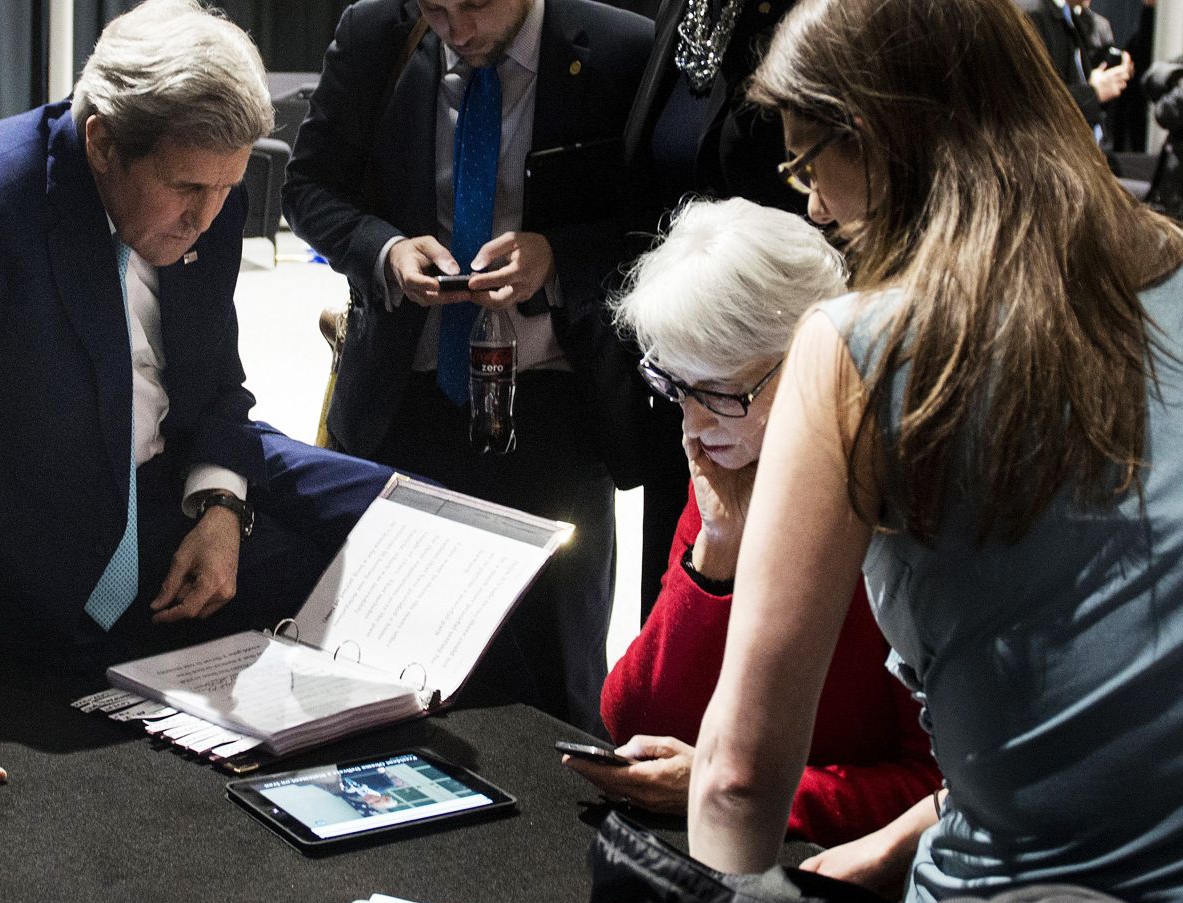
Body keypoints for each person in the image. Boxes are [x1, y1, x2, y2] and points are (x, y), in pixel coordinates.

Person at [684, 0, 1183, 903]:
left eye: (805, 160)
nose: (811, 201)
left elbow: (738, 777)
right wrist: (928, 820)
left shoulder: (858, 347)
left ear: (880, 137)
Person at [0, 0, 396, 818]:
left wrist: (220, 506)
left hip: (170, 464)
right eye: (186, 190)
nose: (208, 220)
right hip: (45, 504)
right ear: (102, 141)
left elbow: (214, 385)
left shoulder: (207, 192)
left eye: (228, 190)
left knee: (407, 517)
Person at [284, 0, 656, 732]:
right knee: (386, 673)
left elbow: (652, 221)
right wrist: (384, 250)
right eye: (434, 7)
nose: (455, 30)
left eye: (476, 6)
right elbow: (308, 189)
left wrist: (557, 257)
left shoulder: (618, 47)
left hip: (554, 415)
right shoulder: (375, 34)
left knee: (557, 682)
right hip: (405, 402)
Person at [561, 197, 938, 849]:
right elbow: (630, 716)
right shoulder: (733, 463)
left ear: (811, 355)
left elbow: (941, 789)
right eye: (675, 387)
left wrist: (735, 785)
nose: (694, 425)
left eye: (720, 393)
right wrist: (719, 549)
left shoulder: (907, 501)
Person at [613, 0, 807, 622]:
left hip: (768, 388)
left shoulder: (825, 21)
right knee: (672, 619)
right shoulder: (689, 7)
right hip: (683, 381)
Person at [1018, 0, 1136, 140]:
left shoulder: (1070, 15)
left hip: (1073, 147)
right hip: (1050, 149)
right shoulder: (1032, 14)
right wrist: (1093, 92)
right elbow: (1033, 102)